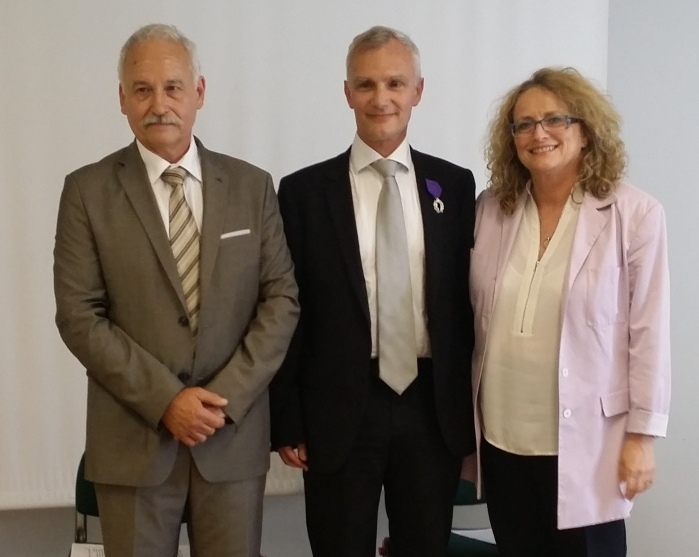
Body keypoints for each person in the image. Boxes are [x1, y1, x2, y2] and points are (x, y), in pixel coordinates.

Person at [53, 23, 299, 557]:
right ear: (122, 99)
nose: (159, 104)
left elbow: (281, 300)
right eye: (142, 89)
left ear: (199, 92)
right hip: (134, 442)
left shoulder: (252, 186)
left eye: (173, 87)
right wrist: (167, 401)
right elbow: (79, 316)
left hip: (230, 438)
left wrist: (221, 400)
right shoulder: (86, 191)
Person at [269, 25, 476, 557]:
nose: (380, 98)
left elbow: (464, 306)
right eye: (365, 84)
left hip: (430, 408)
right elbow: (288, 310)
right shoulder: (303, 192)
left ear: (418, 91)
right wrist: (287, 417)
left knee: (424, 548)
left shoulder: (454, 187)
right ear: (346, 93)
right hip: (339, 408)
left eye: (394, 83)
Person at [469, 67, 671, 556]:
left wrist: (642, 437)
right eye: (523, 124)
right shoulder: (493, 208)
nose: (539, 134)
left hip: (588, 443)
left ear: (585, 130)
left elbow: (649, 334)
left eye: (555, 119)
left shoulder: (634, 214)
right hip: (502, 438)